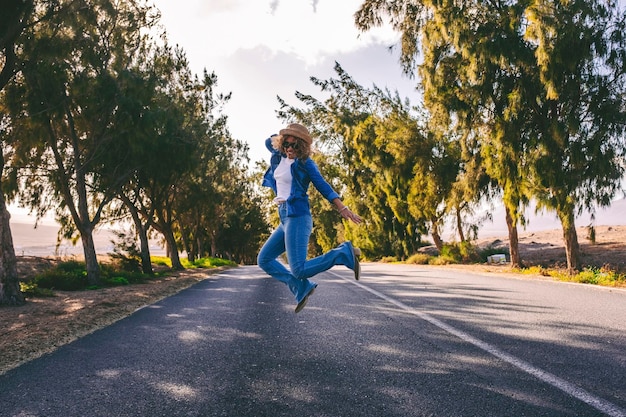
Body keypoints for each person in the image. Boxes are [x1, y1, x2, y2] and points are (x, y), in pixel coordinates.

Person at [257, 123, 363, 313]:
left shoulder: (306, 163)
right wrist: (286, 136)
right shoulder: (278, 156)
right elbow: (269, 140)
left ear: (303, 147)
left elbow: (323, 185)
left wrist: (342, 208)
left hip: (298, 216)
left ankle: (343, 253)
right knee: (264, 259)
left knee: (299, 269)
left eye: (295, 145)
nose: (290, 149)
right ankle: (300, 287)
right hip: (283, 216)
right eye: (287, 144)